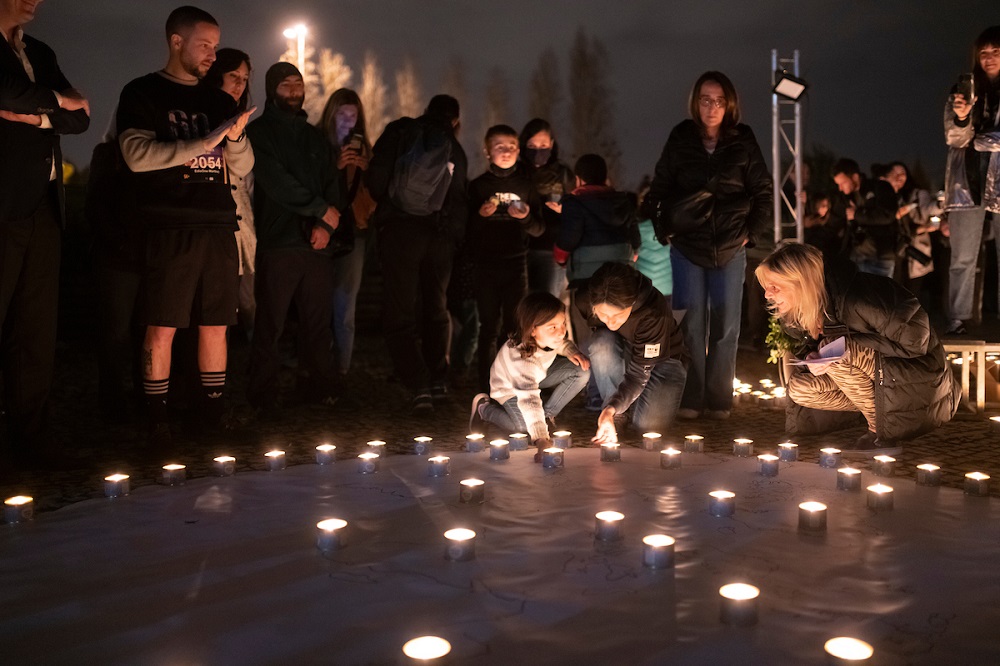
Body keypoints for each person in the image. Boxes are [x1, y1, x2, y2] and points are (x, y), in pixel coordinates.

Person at [116, 6, 254, 446]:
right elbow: (137, 156)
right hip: (171, 224)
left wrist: (234, 137)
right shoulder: (143, 92)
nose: (213, 54)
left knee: (216, 323)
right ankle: (156, 418)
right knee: (163, 324)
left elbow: (243, 165)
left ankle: (212, 414)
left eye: (216, 45)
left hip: (218, 223)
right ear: (176, 41)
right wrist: (203, 143)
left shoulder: (218, 101)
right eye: (205, 44)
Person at [645, 71, 772, 420]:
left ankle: (719, 400)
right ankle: (690, 398)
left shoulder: (743, 139)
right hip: (687, 247)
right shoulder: (681, 137)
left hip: (731, 245)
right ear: (695, 102)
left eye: (718, 100)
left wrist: (751, 233)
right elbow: (659, 187)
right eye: (705, 99)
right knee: (690, 325)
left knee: (727, 325)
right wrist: (662, 230)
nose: (712, 107)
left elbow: (763, 189)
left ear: (729, 104)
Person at [756, 243, 959, 456]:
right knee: (799, 387)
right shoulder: (802, 312)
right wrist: (812, 356)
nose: (767, 295)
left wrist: (847, 343)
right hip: (879, 382)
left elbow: (917, 341)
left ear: (801, 283)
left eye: (774, 287)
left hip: (922, 381)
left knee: (838, 352)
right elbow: (807, 348)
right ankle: (872, 411)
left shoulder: (860, 299)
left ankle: (880, 436)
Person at [0, 0, 90, 464]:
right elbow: (6, 90)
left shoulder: (40, 49)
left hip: (44, 208)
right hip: (4, 204)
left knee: (36, 328)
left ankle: (31, 435)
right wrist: (55, 102)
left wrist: (36, 116)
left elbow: (82, 118)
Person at [245, 62, 344, 415]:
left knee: (318, 324)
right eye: (286, 84)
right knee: (270, 323)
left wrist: (327, 225)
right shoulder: (259, 133)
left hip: (316, 246)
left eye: (298, 84)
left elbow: (332, 182)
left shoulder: (314, 136)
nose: (294, 90)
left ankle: (320, 389)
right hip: (278, 243)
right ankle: (262, 395)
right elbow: (276, 180)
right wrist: (320, 210)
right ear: (273, 90)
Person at [367, 94, 468, 413]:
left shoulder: (399, 131)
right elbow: (459, 202)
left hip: (399, 232)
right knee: (437, 308)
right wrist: (452, 240)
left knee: (400, 310)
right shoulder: (455, 147)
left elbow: (375, 181)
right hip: (438, 237)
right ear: (455, 121)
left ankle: (417, 384)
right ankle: (438, 379)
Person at [467, 124, 544, 390]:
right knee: (487, 325)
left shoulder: (526, 185)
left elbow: (539, 228)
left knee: (514, 328)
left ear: (518, 150)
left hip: (516, 264)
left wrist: (525, 218)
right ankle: (485, 386)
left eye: (511, 146)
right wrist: (480, 216)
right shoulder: (477, 187)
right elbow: (466, 232)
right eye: (499, 146)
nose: (506, 151)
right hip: (485, 265)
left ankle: (509, 384)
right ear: (487, 151)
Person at [576, 262, 688, 444]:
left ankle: (622, 405)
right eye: (603, 315)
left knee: (647, 430)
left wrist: (612, 407)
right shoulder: (583, 299)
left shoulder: (653, 313)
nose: (611, 322)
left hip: (664, 360)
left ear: (633, 303)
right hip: (626, 352)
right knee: (601, 342)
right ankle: (618, 412)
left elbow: (638, 375)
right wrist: (612, 409)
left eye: (618, 315)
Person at [469, 291, 590, 454]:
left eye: (563, 323)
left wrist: (571, 351)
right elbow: (529, 400)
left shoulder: (546, 336)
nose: (561, 332)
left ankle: (545, 416)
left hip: (536, 377)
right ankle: (484, 410)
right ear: (533, 329)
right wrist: (541, 439)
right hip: (509, 389)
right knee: (523, 429)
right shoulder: (520, 358)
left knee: (580, 370)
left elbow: (559, 343)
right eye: (553, 327)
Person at [942, 25, 1000, 335]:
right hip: (968, 180)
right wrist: (964, 118)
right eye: (984, 53)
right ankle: (957, 317)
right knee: (962, 255)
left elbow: (974, 142)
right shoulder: (964, 90)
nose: (989, 58)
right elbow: (954, 137)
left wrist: (980, 140)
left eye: (996, 51)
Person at [317, 88, 376, 376]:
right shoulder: (318, 145)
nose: (348, 121)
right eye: (342, 114)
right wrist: (335, 168)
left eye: (353, 115)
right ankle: (316, 367)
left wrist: (368, 171)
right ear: (331, 115)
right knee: (317, 302)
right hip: (320, 230)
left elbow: (373, 198)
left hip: (355, 233)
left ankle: (340, 371)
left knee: (344, 304)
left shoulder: (365, 149)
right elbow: (315, 186)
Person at [203, 48, 256, 339]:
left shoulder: (242, 123)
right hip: (210, 227)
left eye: (245, 79)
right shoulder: (201, 115)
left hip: (241, 228)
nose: (239, 84)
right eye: (233, 76)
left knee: (245, 303)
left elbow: (245, 174)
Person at [554, 153, 637, 282]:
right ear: (604, 177)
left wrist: (560, 258)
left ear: (579, 179)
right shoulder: (623, 201)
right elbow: (635, 237)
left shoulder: (574, 202)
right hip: (621, 269)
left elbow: (569, 239)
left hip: (586, 273)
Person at [519, 118, 575, 298]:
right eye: (532, 145)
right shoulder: (517, 172)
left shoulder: (563, 173)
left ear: (551, 144)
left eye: (543, 144)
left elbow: (578, 209)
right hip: (521, 247)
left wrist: (564, 209)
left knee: (548, 304)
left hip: (551, 248)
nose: (538, 150)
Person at [830, 158, 898, 278]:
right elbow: (834, 222)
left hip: (880, 257)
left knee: (878, 295)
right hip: (855, 257)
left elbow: (887, 214)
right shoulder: (845, 198)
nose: (840, 188)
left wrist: (857, 214)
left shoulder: (880, 187)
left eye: (843, 183)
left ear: (855, 177)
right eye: (838, 184)